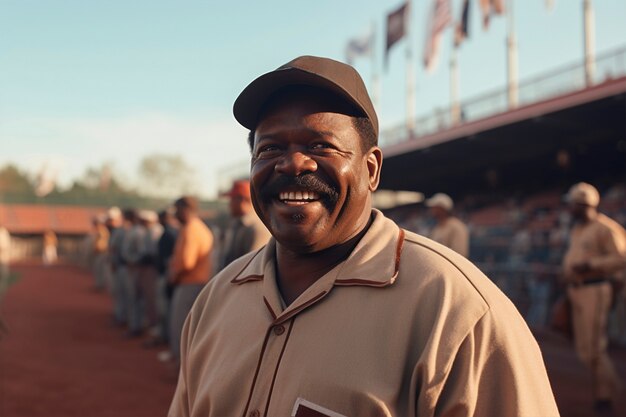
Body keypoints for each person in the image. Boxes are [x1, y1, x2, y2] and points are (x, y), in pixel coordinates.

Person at [169, 56, 559, 417]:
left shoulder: (458, 310)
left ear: (371, 169)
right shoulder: (216, 299)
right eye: (270, 148)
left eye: (320, 145)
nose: (292, 163)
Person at [562, 182, 626, 414]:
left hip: (595, 288)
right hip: (577, 289)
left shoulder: (605, 228)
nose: (569, 208)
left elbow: (621, 258)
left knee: (594, 349)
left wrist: (590, 264)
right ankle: (606, 390)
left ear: (583, 204)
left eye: (572, 204)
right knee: (584, 350)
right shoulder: (577, 229)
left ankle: (607, 394)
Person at [168, 196, 213, 365]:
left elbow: (186, 263)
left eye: (176, 210)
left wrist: (174, 276)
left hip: (189, 283)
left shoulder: (192, 230)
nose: (174, 214)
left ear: (186, 210)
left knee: (181, 328)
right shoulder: (195, 228)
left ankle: (182, 369)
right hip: (193, 283)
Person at [217, 179, 271, 272]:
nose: (229, 205)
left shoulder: (256, 228)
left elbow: (253, 267)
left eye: (232, 199)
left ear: (242, 200)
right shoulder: (238, 224)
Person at [425, 193, 469, 258]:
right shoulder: (437, 227)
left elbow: (460, 255)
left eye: (434, 207)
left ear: (442, 208)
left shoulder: (457, 226)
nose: (431, 209)